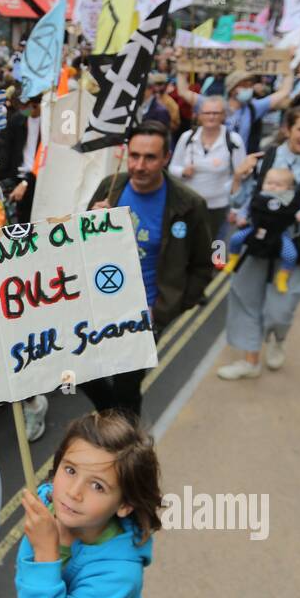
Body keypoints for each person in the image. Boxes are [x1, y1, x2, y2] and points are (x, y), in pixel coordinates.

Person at [17, 409, 163, 598]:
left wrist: (46, 555)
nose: (73, 492)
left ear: (124, 505)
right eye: (70, 470)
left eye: (97, 485)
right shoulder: (48, 508)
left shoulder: (119, 574)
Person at [84, 121, 215, 416]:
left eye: (150, 157)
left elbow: (203, 265)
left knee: (127, 385)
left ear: (166, 158)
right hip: (101, 305)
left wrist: (168, 308)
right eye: (134, 156)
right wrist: (88, 223)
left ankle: (126, 446)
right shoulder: (110, 186)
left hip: (145, 315)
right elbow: (80, 245)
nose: (139, 165)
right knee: (79, 370)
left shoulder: (189, 204)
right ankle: (113, 418)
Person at [218, 104, 300, 380]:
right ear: (287, 128)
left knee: (281, 309)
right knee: (245, 298)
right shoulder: (265, 158)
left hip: (294, 247)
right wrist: (239, 177)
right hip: (259, 239)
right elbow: (241, 202)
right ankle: (250, 360)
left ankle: (278, 336)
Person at [223, 166, 300, 294]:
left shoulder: (292, 200)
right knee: (235, 238)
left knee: (291, 255)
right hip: (255, 229)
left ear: (289, 188)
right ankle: (233, 259)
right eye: (269, 183)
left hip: (280, 233)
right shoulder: (258, 196)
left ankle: (282, 276)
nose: (272, 187)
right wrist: (241, 218)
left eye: (278, 185)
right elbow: (246, 209)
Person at [168, 94, 243, 238]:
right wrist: (183, 172)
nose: (211, 117)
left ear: (224, 116)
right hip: (188, 205)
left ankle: (218, 261)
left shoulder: (233, 140)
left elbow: (240, 175)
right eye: (207, 113)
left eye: (216, 113)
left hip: (219, 207)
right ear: (199, 115)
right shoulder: (187, 138)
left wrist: (236, 208)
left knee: (217, 247)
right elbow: (172, 168)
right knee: (188, 247)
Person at [0, 94, 43, 220]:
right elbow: (6, 148)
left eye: (26, 108)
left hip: (38, 177)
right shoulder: (18, 120)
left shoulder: (48, 123)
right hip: (18, 176)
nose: (24, 111)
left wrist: (26, 182)